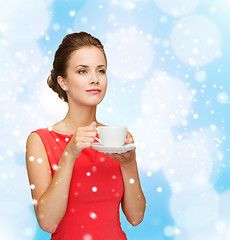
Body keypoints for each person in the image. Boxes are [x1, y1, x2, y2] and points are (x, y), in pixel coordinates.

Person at [26, 32, 146, 240]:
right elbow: (47, 222)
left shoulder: (119, 138)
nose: (94, 79)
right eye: (82, 71)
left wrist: (130, 164)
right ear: (63, 82)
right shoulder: (40, 141)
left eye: (101, 71)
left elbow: (136, 217)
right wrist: (69, 155)